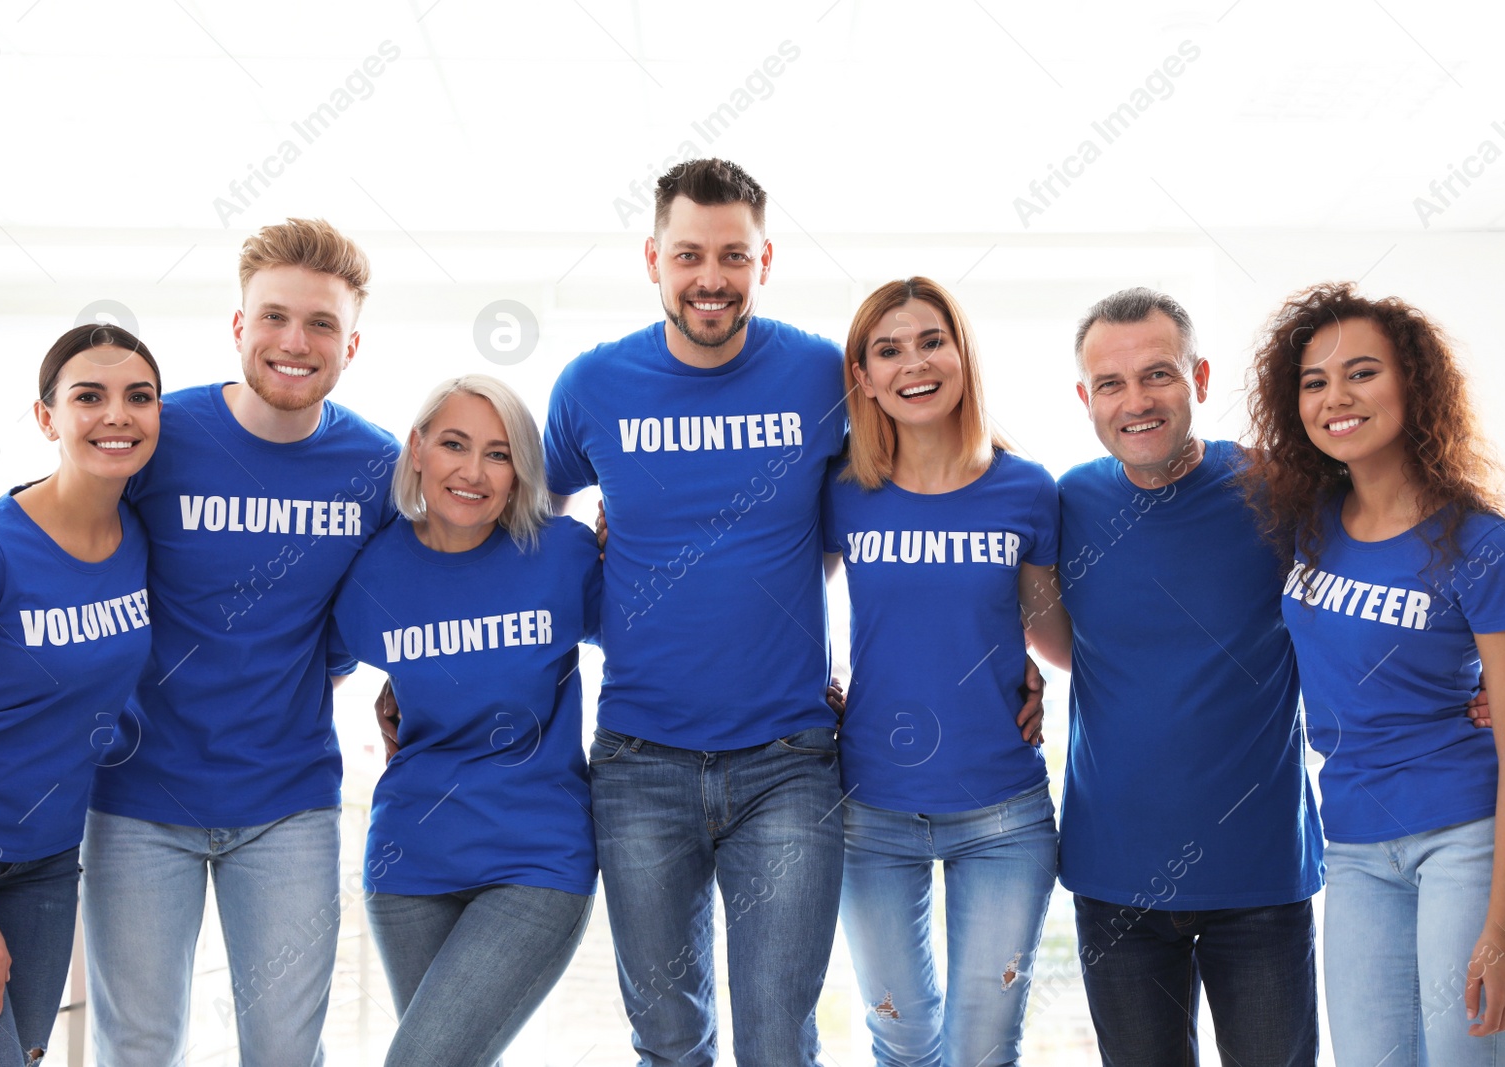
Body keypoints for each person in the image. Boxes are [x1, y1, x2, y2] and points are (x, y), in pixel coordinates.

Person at [541, 158, 848, 1064]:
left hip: (789, 761)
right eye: (688, 255)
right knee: (669, 1038)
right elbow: (517, 528)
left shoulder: (821, 373)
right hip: (640, 762)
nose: (710, 278)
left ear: (764, 261)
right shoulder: (592, 385)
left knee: (775, 1039)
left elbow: (925, 471)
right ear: (652, 260)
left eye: (732, 256)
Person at [81, 219, 399, 1065]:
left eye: (321, 324)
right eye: (275, 317)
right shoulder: (158, 434)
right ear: (238, 326)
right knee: (139, 1046)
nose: (295, 342)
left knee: (286, 1051)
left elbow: (425, 587)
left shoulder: (376, 467)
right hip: (138, 796)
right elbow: (44, 541)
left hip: (287, 802)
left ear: (351, 344)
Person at [1241, 281, 1505, 1064]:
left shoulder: (1479, 541)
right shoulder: (1305, 521)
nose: (1336, 397)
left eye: (1361, 372)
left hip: (1462, 838)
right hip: (1353, 842)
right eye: (1314, 381)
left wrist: (1502, 920)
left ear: (1413, 385)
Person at [1058, 288, 1322, 1065]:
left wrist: (1467, 679)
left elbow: (1382, 577)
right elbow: (1047, 630)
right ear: (1086, 398)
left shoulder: (1278, 488)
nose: (1135, 400)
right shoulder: (1069, 499)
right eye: (1111, 383)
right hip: (1115, 881)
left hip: (1262, 880)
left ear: (1200, 379)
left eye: (1159, 374)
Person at [821, 277, 1067, 1066]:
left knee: (983, 1047)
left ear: (962, 352)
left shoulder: (1026, 488)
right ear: (863, 376)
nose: (913, 363)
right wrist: (813, 685)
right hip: (872, 808)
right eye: (887, 350)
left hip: (1002, 809)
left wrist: (1039, 674)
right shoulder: (845, 494)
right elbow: (781, 603)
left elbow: (1051, 633)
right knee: (899, 1037)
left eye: (931, 340)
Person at [0, 324, 160, 1064]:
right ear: (47, 418)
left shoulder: (142, 535)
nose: (117, 414)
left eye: (138, 397)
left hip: (49, 859)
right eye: (90, 396)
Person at [331, 375, 600, 1066]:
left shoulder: (561, 554)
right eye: (454, 444)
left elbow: (664, 643)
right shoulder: (370, 572)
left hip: (537, 858)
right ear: (418, 449)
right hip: (408, 860)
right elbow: (307, 665)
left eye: (499, 453)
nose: (474, 471)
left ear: (520, 473)